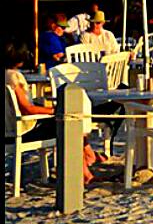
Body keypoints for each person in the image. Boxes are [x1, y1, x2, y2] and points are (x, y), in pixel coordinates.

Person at [6, 43, 98, 184]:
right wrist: (54, 111)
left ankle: (88, 157)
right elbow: (26, 109)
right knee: (70, 122)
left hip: (9, 130)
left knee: (68, 119)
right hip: (22, 130)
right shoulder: (13, 77)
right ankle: (86, 172)